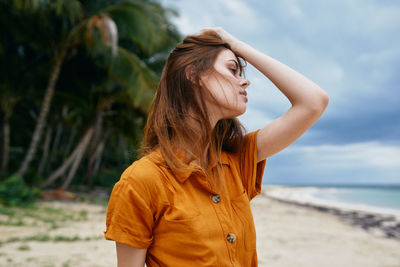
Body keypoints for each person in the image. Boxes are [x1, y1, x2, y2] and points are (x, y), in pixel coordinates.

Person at [104, 27, 329, 267]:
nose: (245, 81)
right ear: (194, 74)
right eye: (232, 69)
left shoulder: (236, 161)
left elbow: (314, 101)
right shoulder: (142, 181)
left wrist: (238, 45)